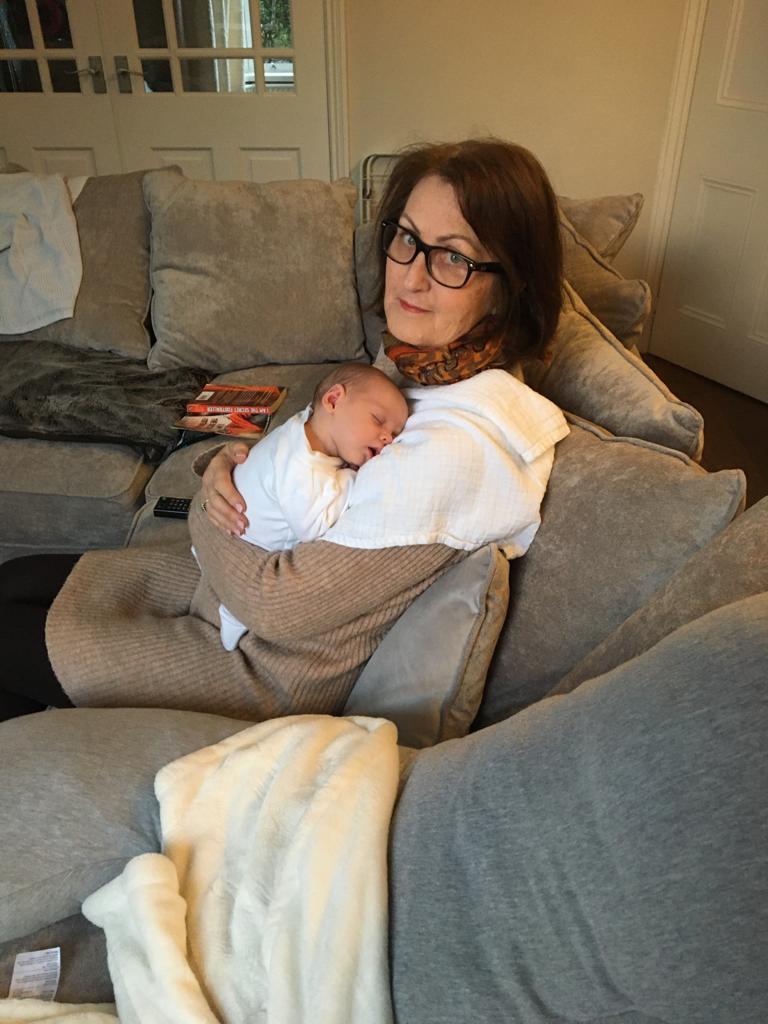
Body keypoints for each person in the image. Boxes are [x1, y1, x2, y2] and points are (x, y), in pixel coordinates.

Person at [0, 138, 567, 722]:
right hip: (230, 580)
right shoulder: (420, 361)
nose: (411, 278)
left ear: (510, 285)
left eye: (452, 258)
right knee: (15, 579)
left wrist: (205, 509)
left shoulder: (459, 447)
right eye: (407, 238)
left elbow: (277, 606)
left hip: (260, 664)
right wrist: (226, 467)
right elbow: (316, 442)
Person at [212, 362, 408, 651]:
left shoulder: (304, 426)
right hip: (246, 548)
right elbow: (313, 526)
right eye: (378, 420)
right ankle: (230, 618)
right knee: (240, 604)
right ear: (333, 400)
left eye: (395, 433)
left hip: (230, 524)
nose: (387, 439)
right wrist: (353, 477)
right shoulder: (302, 467)